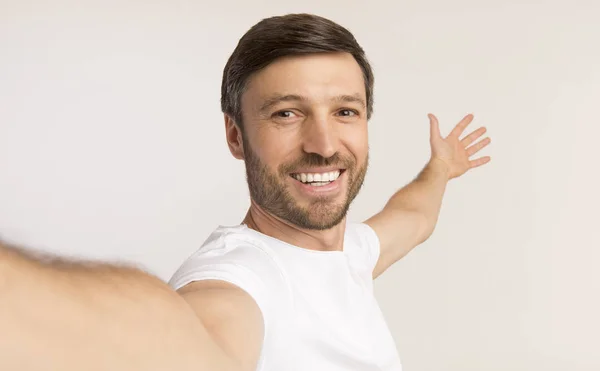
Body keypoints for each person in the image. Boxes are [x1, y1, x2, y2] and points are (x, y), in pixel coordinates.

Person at [0, 13, 491, 371]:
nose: (324, 145)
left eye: (345, 111)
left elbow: (414, 217)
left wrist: (440, 169)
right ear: (236, 136)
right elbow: (180, 342)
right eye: (286, 113)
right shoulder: (237, 280)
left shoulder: (351, 252)